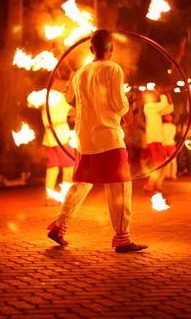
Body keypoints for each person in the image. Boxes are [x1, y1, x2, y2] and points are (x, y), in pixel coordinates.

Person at [46, 30, 147, 253]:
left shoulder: (81, 72)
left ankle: (60, 225)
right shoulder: (113, 68)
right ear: (111, 49)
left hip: (85, 137)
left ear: (92, 49)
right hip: (107, 136)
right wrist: (127, 108)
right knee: (120, 186)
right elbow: (118, 104)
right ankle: (122, 237)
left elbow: (78, 102)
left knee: (81, 183)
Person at [41, 95, 75, 206]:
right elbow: (70, 111)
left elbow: (70, 112)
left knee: (52, 169)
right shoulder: (58, 97)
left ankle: (49, 197)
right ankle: (66, 196)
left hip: (51, 139)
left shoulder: (45, 97)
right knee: (69, 167)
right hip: (61, 138)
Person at [142, 89, 174, 195]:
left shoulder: (154, 109)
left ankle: (156, 185)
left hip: (158, 139)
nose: (151, 98)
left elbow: (169, 109)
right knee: (157, 163)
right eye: (149, 96)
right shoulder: (148, 107)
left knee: (161, 162)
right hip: (154, 139)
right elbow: (163, 104)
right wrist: (163, 94)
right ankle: (149, 185)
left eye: (152, 96)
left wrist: (168, 95)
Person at [161, 114, 177, 180]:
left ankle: (165, 174)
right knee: (173, 161)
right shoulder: (173, 126)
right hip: (171, 144)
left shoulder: (161, 126)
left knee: (164, 161)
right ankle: (173, 175)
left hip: (163, 144)